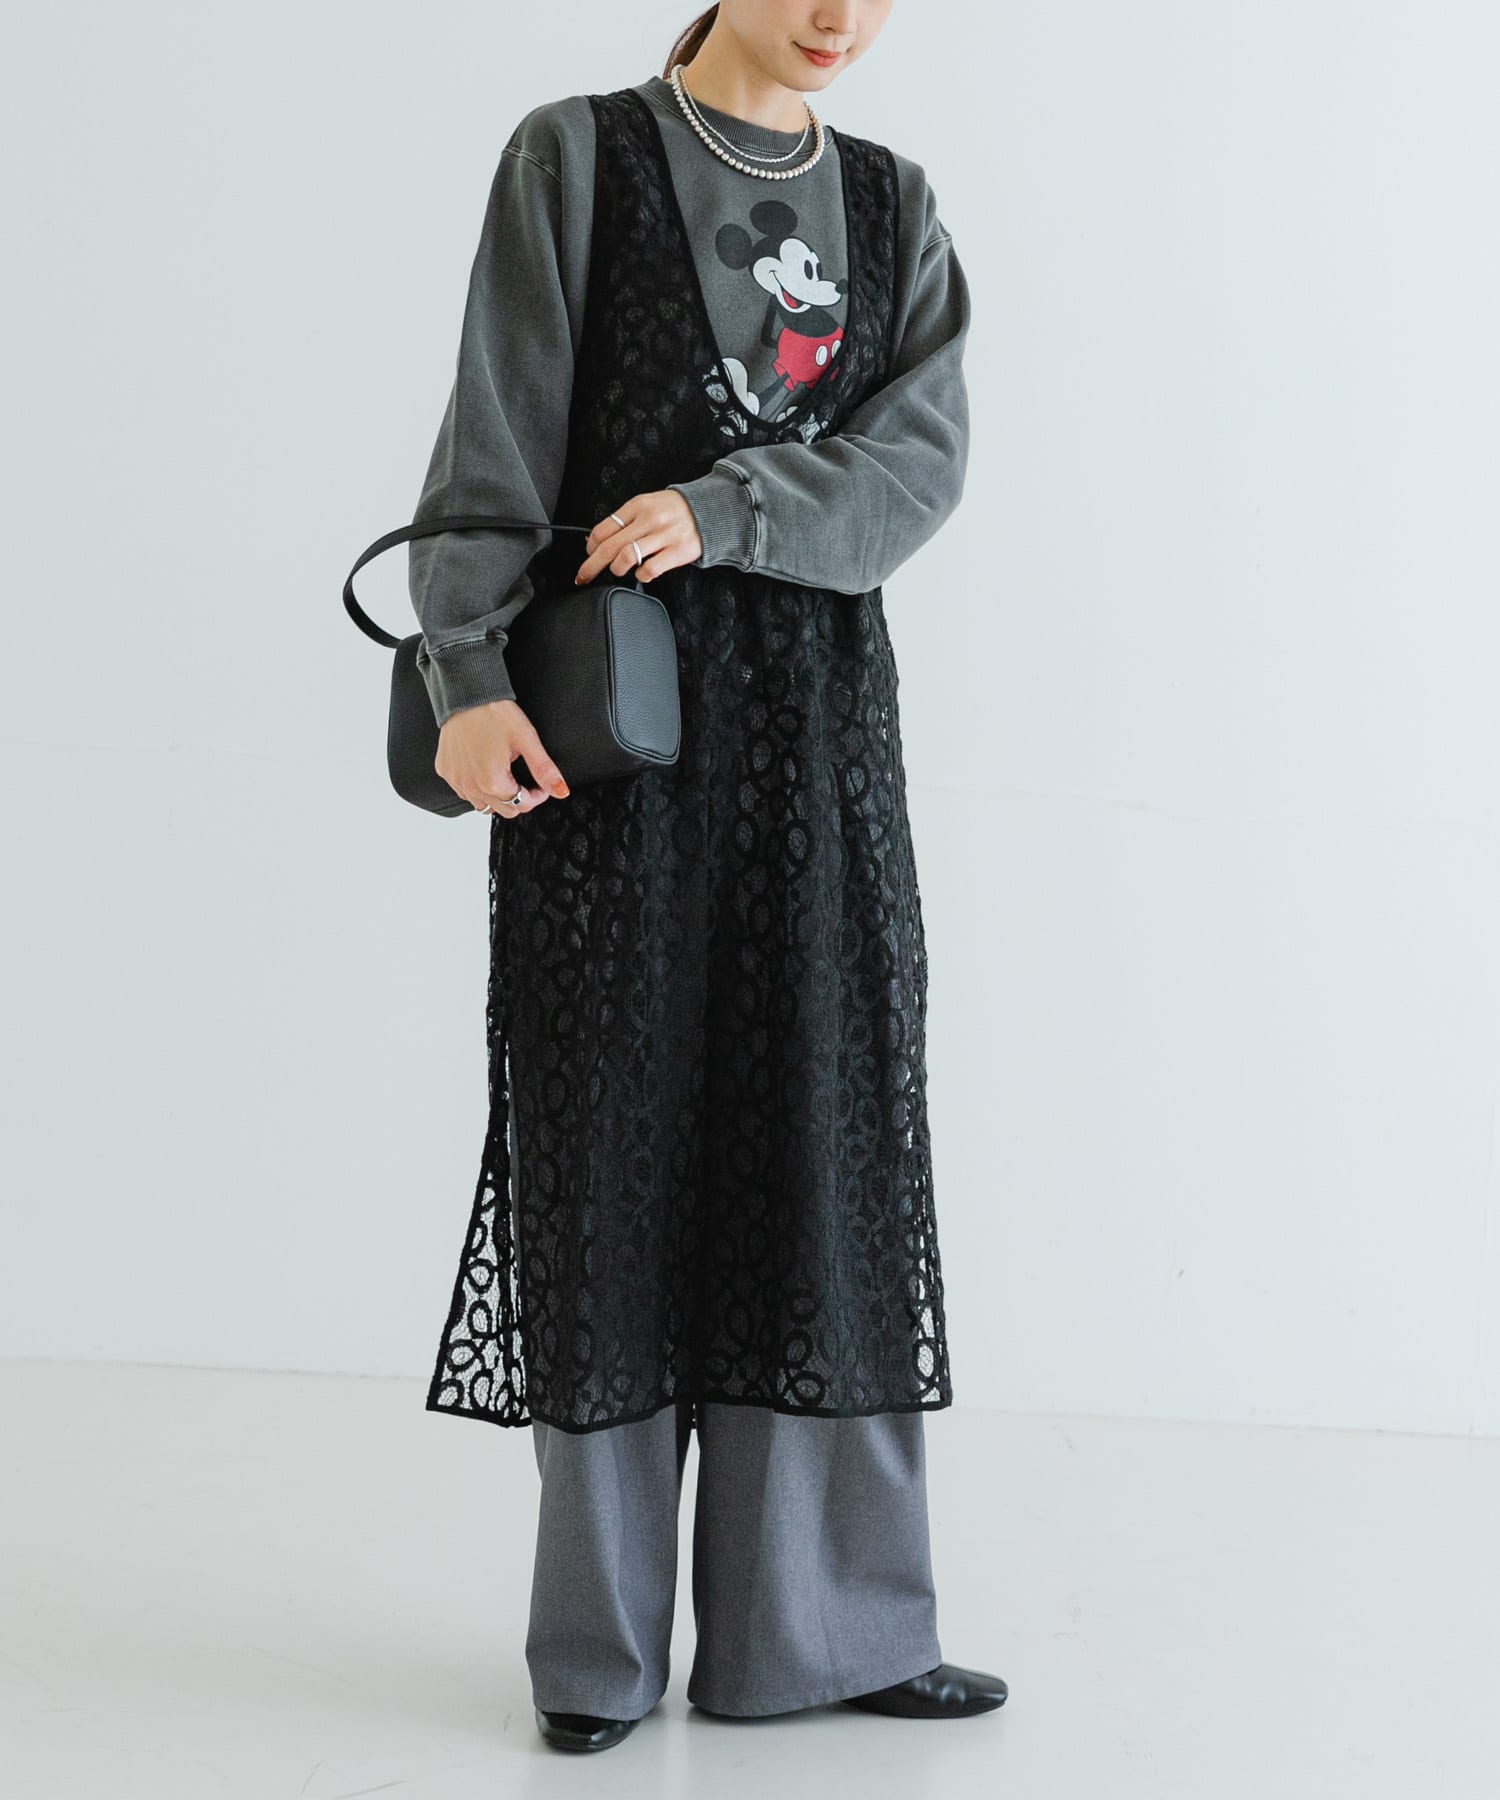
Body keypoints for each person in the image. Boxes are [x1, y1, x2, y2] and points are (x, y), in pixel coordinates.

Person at [407, 0, 1007, 1754]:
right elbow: (495, 438)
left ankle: (822, 1634)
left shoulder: (894, 204)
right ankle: (598, 1655)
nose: (838, 17)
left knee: (822, 1156)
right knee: (613, 1163)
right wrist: (465, 677)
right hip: (614, 755)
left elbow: (918, 465)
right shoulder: (576, 158)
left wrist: (730, 508)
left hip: (819, 762)